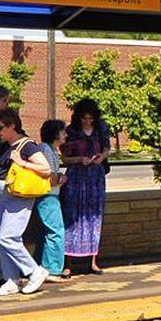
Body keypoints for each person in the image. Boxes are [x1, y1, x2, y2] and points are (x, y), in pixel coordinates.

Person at [0, 108, 52, 297]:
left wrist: (22, 162)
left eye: (0, 127)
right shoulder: (7, 147)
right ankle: (11, 280)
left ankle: (34, 270)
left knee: (8, 237)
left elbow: (46, 168)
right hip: (4, 192)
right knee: (3, 237)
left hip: (19, 195)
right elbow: (1, 175)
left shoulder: (27, 146)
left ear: (12, 126)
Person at [60, 98, 110, 274]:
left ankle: (93, 260)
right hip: (76, 177)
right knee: (72, 216)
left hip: (95, 177)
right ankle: (68, 263)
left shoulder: (101, 129)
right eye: (84, 118)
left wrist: (101, 157)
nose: (88, 121)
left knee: (94, 217)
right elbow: (64, 158)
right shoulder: (71, 132)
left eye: (90, 118)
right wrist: (79, 159)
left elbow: (106, 150)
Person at [33, 118, 69, 278]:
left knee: (46, 232)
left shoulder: (52, 150)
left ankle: (41, 265)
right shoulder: (46, 150)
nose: (65, 135)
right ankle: (52, 268)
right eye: (63, 132)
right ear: (55, 134)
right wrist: (60, 178)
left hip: (51, 194)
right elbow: (49, 176)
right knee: (56, 231)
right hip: (47, 196)